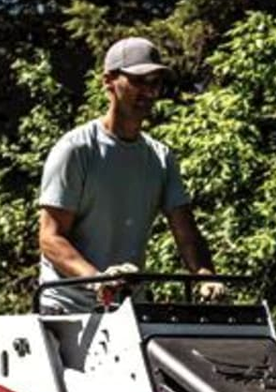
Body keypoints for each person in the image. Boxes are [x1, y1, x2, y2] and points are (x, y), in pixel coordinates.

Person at [37, 36, 217, 311]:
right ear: (108, 81)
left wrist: (205, 277)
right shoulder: (77, 149)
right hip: (68, 309)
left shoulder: (160, 158)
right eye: (138, 81)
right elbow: (50, 238)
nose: (149, 92)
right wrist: (97, 280)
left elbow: (186, 234)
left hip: (126, 307)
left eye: (155, 83)